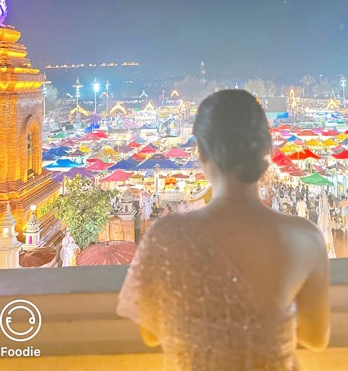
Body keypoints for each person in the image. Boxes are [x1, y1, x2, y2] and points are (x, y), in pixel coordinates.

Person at [116, 90, 330, 370]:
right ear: (266, 149)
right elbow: (315, 338)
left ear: (200, 151)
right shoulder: (306, 238)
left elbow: (151, 333)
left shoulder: (168, 235)